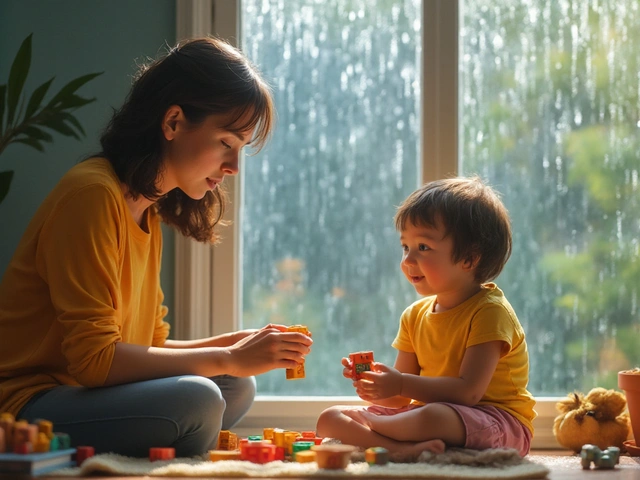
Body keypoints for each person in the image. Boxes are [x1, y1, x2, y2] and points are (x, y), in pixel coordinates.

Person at [0, 36, 313, 457]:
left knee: (236, 386)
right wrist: (228, 356)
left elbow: (148, 342)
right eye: (226, 142)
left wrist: (237, 347)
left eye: (240, 150)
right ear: (173, 122)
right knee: (198, 399)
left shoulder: (147, 211)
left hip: (82, 392)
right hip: (29, 404)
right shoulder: (92, 196)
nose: (235, 168)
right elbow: (94, 362)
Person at [316, 177, 536, 457]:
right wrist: (375, 385)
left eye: (423, 248)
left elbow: (468, 393)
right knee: (330, 417)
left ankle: (383, 434)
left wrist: (396, 389)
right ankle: (397, 449)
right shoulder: (414, 315)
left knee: (433, 417)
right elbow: (400, 397)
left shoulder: (490, 312)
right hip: (430, 413)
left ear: (469, 259)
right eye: (405, 247)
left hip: (496, 420)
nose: (408, 261)